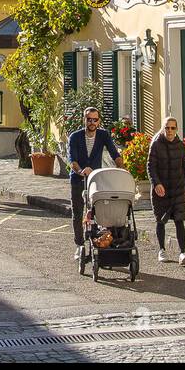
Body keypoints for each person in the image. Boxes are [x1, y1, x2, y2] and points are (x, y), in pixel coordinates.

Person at [67, 106, 120, 261]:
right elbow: (72, 160)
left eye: (94, 120)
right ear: (84, 120)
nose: (91, 122)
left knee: (99, 212)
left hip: (96, 179)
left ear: (99, 121)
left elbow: (114, 153)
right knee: (77, 212)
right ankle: (79, 245)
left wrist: (122, 167)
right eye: (88, 119)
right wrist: (81, 170)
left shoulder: (103, 135)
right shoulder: (75, 137)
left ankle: (99, 242)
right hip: (78, 178)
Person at [148, 116, 185, 265]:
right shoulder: (156, 144)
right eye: (167, 127)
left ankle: (182, 252)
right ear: (163, 128)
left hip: (178, 188)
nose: (170, 131)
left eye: (173, 128)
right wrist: (156, 184)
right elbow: (151, 167)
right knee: (161, 220)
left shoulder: (180, 145)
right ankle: (161, 250)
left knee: (180, 220)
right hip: (161, 189)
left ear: (177, 129)